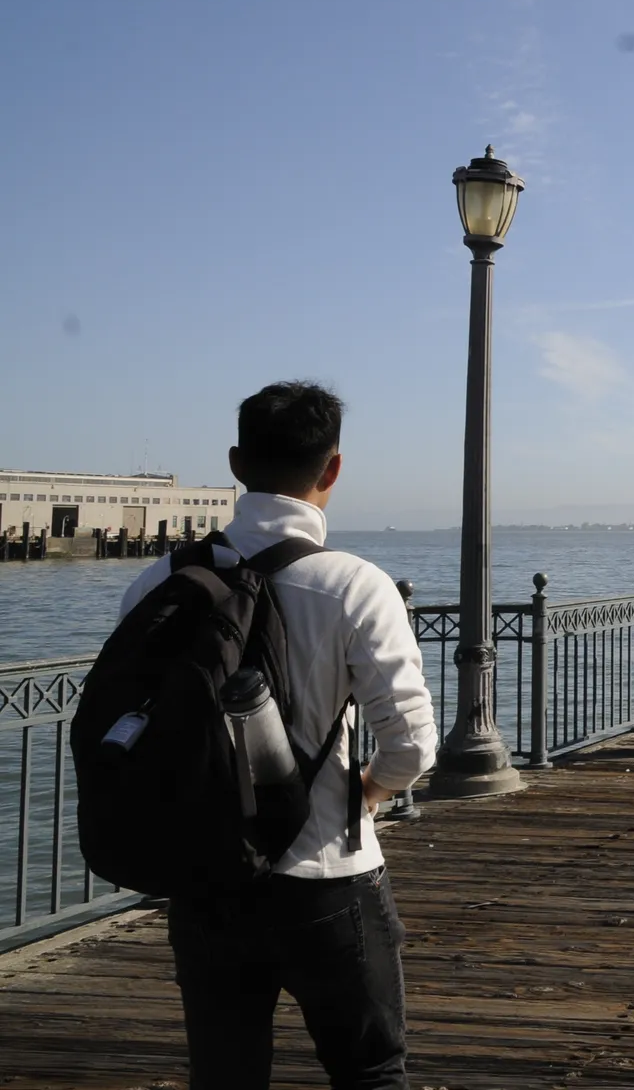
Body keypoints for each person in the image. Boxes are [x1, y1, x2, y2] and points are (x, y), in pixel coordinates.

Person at [129, 381, 437, 1090]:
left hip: (205, 880)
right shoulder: (355, 585)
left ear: (237, 463)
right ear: (332, 469)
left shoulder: (160, 582)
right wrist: (372, 790)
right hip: (325, 875)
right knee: (370, 1071)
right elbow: (413, 741)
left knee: (226, 1074)